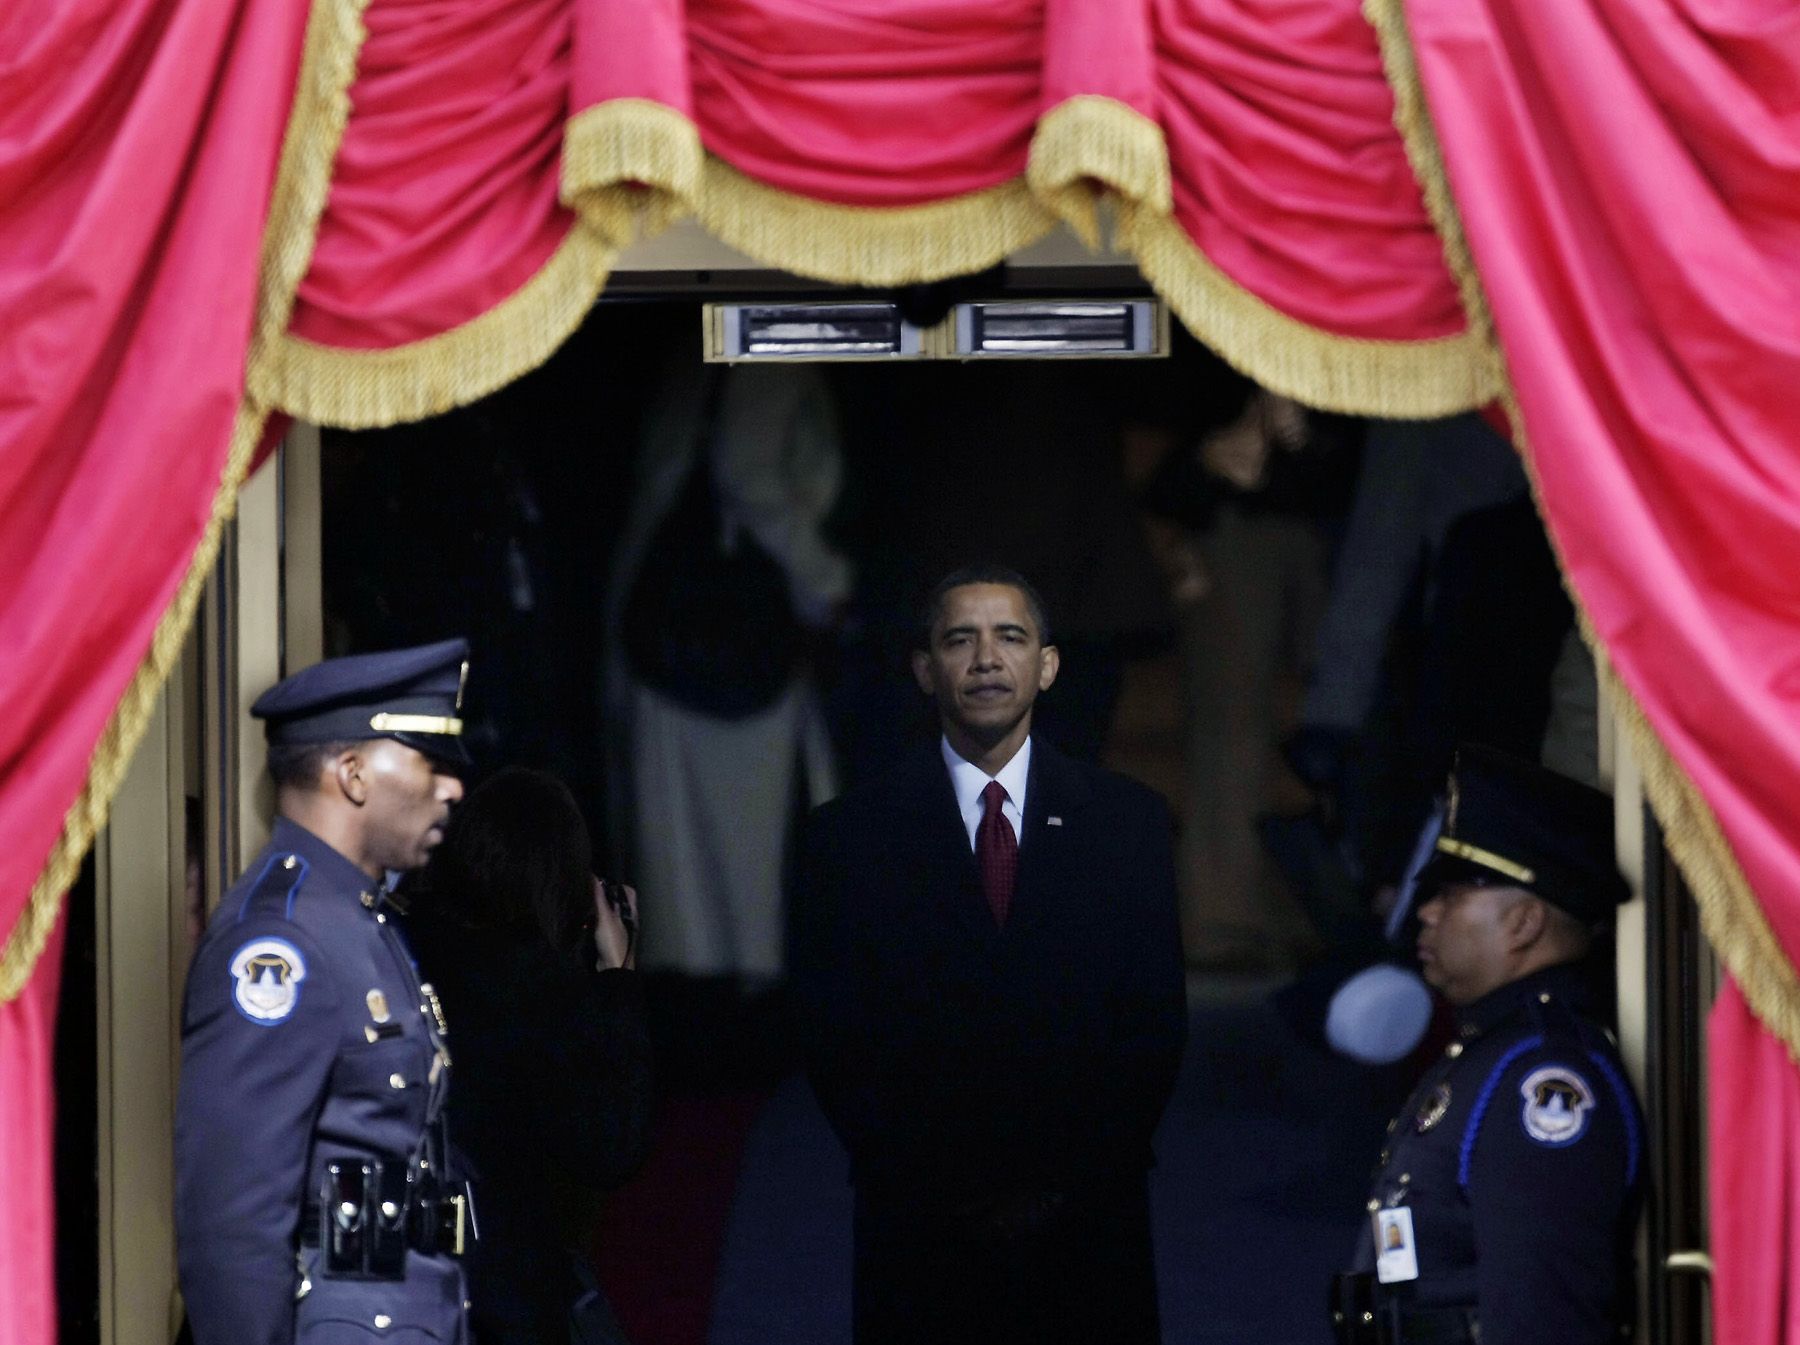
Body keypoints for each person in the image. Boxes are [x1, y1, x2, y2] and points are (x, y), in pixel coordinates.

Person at [793, 567, 1189, 1345]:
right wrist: (933, 1184)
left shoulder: (1127, 823)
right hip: (918, 1229)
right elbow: (833, 1034)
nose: (985, 658)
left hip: (1088, 1227)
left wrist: (1065, 1187)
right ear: (924, 669)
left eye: (1010, 636)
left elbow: (1152, 1027)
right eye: (959, 638)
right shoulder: (849, 836)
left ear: (1047, 665)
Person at [175, 639, 473, 1345]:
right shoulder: (281, 945)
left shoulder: (361, 925)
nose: (453, 788)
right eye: (429, 762)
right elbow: (233, 1222)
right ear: (353, 773)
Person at [1332, 745, 1642, 1345]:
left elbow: (1541, 1319)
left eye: (1453, 894)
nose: (1425, 913)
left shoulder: (1544, 1079)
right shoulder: (1490, 1052)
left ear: (1525, 923)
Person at [402, 768, 653, 1345]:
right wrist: (619, 977)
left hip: (396, 1271)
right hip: (504, 1297)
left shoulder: (399, 945)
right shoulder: (546, 995)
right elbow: (614, 1147)